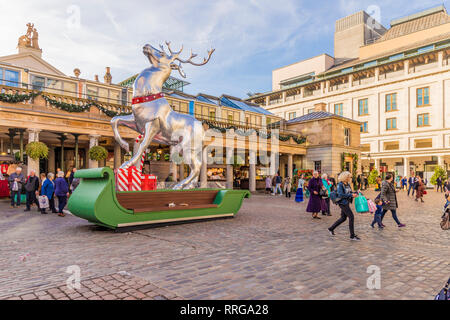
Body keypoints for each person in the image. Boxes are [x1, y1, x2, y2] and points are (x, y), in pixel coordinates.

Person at [328, 171, 361, 241]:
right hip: (343, 203)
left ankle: (331, 228)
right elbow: (341, 195)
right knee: (351, 217)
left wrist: (356, 192)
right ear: (345, 177)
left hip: (346, 202)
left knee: (343, 218)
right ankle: (352, 236)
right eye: (349, 177)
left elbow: (349, 192)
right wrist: (351, 195)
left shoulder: (347, 184)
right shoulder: (340, 185)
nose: (350, 178)